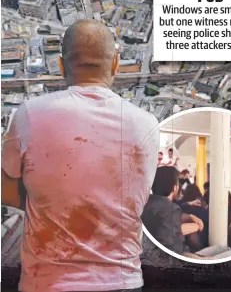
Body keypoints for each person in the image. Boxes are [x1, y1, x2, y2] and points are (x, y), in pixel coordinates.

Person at [1, 19, 159, 292]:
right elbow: (135, 198)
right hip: (122, 282)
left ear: (61, 65)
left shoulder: (29, 114)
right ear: (115, 65)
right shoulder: (146, 123)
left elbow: (4, 189)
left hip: (47, 283)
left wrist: (49, 198)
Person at [141, 166, 204, 255]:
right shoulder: (168, 207)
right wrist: (197, 226)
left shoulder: (146, 203)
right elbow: (175, 231)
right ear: (175, 187)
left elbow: (166, 220)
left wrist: (189, 217)